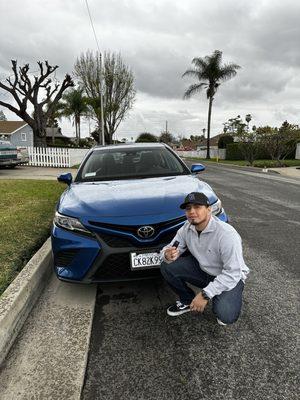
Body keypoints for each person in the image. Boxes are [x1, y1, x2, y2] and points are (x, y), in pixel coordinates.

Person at [160, 192, 249, 325]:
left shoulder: (226, 234)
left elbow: (233, 272)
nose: (192, 212)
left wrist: (205, 294)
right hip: (204, 271)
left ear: (209, 209)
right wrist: (167, 254)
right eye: (188, 208)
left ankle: (223, 296)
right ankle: (187, 300)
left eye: (197, 207)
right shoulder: (186, 228)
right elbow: (170, 248)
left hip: (230, 277)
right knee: (167, 266)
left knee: (225, 316)